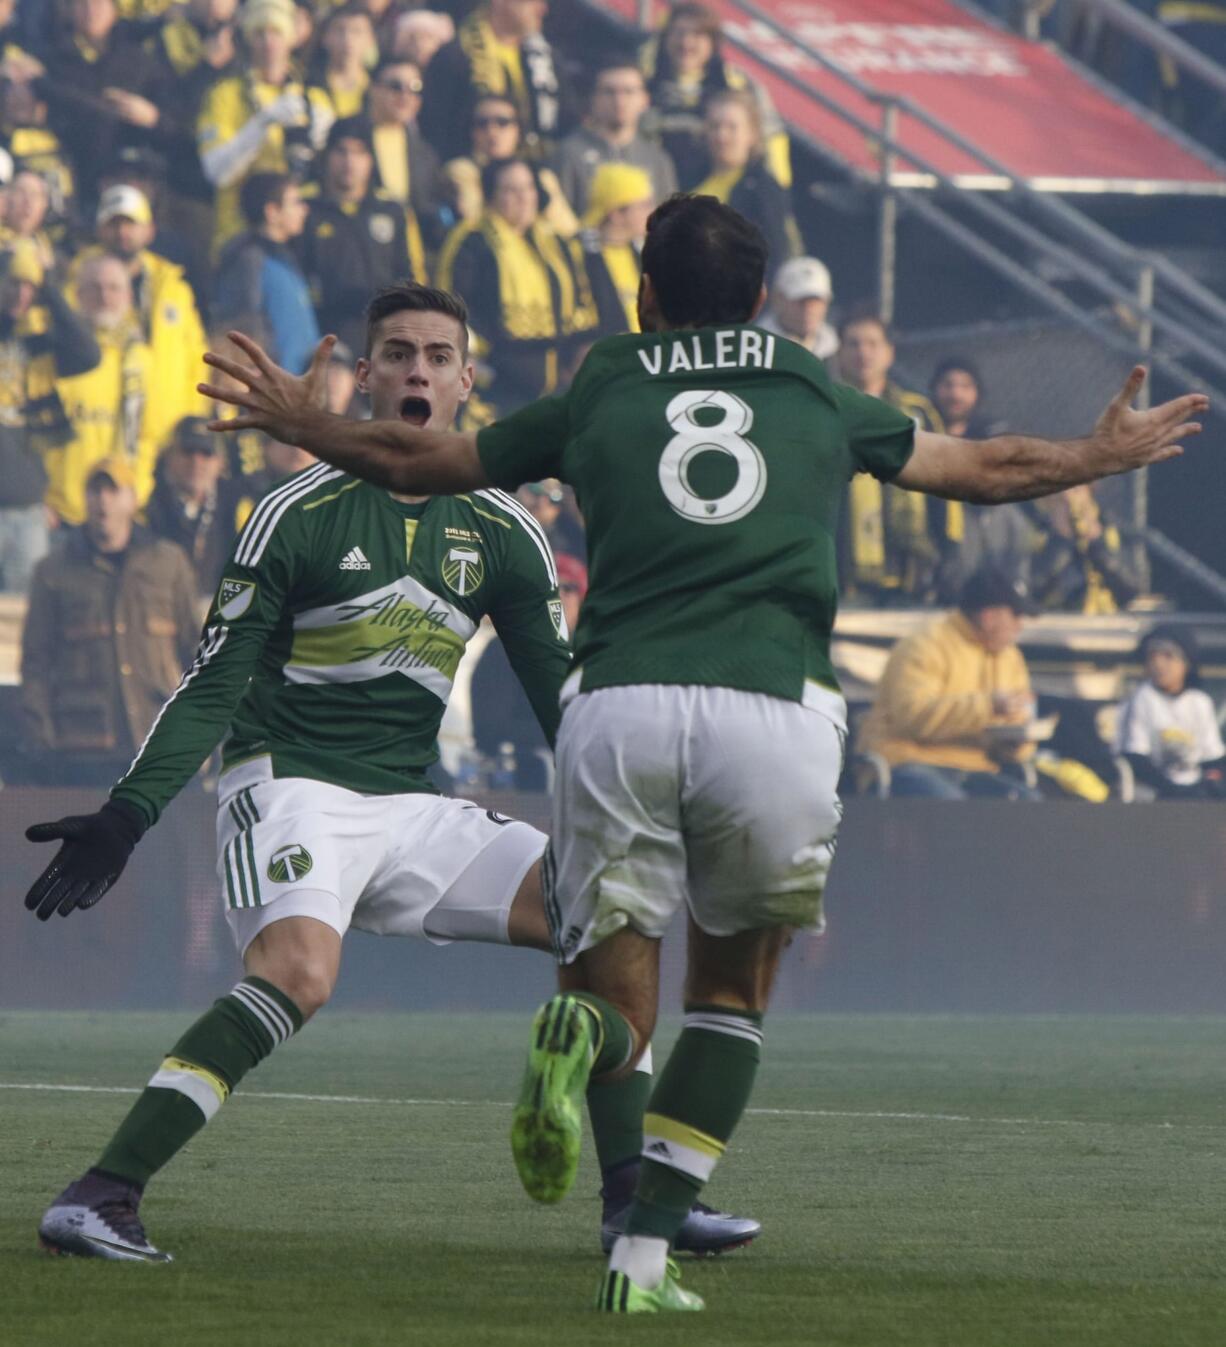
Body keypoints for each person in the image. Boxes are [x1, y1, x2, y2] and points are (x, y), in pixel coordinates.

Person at [196, 193, 1206, 1313]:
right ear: (764, 299)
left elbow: (413, 463)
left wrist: (310, 420)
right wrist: (1096, 453)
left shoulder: (605, 382)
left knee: (613, 985)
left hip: (618, 705)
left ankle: (582, 1029)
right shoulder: (810, 382)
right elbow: (981, 467)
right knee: (725, 999)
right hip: (770, 709)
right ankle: (640, 1260)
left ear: (644, 291)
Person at [28, 281, 754, 1265]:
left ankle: (632, 1198)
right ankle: (99, 1196)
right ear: (364, 375)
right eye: (398, 353)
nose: (417, 369)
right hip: (288, 787)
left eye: (437, 355)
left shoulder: (503, 529)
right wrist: (129, 813)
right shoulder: (297, 511)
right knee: (298, 973)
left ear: (463, 380)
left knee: (608, 915)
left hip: (407, 805)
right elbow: (214, 683)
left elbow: (563, 705)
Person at [19, 454, 199, 788]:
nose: (103, 501)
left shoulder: (169, 563)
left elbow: (197, 654)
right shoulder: (53, 571)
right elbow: (36, 662)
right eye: (94, 491)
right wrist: (43, 739)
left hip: (156, 744)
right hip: (83, 747)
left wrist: (202, 736)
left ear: (133, 499)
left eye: (112, 491)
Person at [856, 566, 1044, 800]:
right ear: (988, 616)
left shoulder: (1011, 658)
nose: (1020, 625)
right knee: (956, 812)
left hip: (976, 769)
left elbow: (1017, 725)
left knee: (1029, 804)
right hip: (907, 762)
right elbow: (913, 717)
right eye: (1015, 615)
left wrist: (1017, 744)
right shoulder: (924, 646)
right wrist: (988, 707)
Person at [436, 156, 596, 421]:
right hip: (497, 392)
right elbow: (452, 308)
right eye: (510, 190)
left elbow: (582, 302)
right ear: (491, 196)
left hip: (558, 390)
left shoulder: (556, 243)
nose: (523, 197)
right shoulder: (471, 241)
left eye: (528, 188)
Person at [71, 184, 210, 452]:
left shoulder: (174, 287)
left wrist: (194, 415)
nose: (122, 233)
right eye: (114, 224)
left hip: (167, 437)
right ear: (99, 230)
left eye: (131, 224)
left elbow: (196, 358)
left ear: (149, 230)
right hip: (100, 435)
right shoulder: (77, 281)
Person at [0, 240, 100, 593]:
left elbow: (89, 354)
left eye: (29, 287)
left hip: (27, 509)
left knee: (20, 625)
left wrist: (50, 291)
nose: (20, 294)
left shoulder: (40, 345)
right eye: (13, 283)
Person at [196, 0, 333, 255]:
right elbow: (217, 171)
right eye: (260, 34)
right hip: (238, 233)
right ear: (248, 39)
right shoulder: (225, 94)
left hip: (299, 234)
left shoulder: (315, 100)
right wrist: (262, 123)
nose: (269, 43)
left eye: (277, 33)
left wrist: (318, 140)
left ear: (292, 38)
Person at [837, 308, 951, 605]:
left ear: (889, 353)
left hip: (911, 572)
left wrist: (948, 548)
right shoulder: (822, 408)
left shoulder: (918, 412)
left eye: (873, 344)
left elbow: (946, 481)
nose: (863, 352)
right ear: (838, 351)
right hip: (844, 573)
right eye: (853, 343)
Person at [296, 116, 426, 358]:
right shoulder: (306, 208)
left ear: (371, 160)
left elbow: (409, 274)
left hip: (384, 334)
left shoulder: (391, 210)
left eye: (359, 153)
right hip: (326, 334)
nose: (349, 162)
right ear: (326, 157)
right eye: (341, 152)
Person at [46, 253, 156, 525]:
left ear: (129, 296)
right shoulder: (54, 353)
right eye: (94, 288)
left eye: (113, 288)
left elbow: (149, 436)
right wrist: (41, 501)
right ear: (77, 295)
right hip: (57, 514)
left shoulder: (142, 360)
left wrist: (136, 495)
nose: (104, 296)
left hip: (119, 517)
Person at [641, 2, 789, 191]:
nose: (686, 42)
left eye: (697, 34)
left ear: (713, 42)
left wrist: (777, 190)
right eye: (678, 33)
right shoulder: (642, 86)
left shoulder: (739, 84)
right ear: (665, 38)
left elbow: (772, 136)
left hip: (728, 199)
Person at [471, 551, 587, 790]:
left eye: (568, 588)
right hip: (519, 775)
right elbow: (489, 727)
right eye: (551, 588)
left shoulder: (595, 650)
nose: (559, 596)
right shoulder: (501, 648)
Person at [419, 0, 564, 165]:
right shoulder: (455, 57)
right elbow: (437, 129)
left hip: (529, 174)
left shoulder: (545, 58)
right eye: (531, 2)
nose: (542, 9)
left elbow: (565, 122)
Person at [213, 172, 319, 375]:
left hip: (298, 386)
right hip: (274, 388)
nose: (304, 210)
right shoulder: (248, 260)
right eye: (296, 202)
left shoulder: (287, 257)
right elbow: (242, 323)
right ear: (272, 211)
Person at [144, 414, 253, 597]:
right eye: (188, 451)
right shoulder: (151, 506)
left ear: (221, 462)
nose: (196, 462)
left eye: (206, 453)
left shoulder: (239, 507)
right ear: (170, 457)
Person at [552, 60, 676, 220]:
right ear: (593, 99)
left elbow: (669, 220)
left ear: (645, 100)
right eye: (609, 92)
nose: (620, 101)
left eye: (629, 91)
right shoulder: (568, 154)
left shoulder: (658, 159)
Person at [692, 90, 796, 277]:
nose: (721, 136)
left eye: (732, 127)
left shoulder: (763, 187)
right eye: (715, 126)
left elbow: (776, 251)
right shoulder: (688, 178)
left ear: (752, 134)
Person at [441, 92, 576, 236]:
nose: (492, 132)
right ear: (471, 131)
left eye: (503, 122)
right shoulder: (462, 171)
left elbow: (569, 230)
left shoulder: (542, 177)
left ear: (518, 130)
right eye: (482, 124)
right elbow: (474, 222)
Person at [1114, 625, 1225, 799]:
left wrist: (1210, 784)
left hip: (1195, 793)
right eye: (1152, 657)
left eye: (1168, 656)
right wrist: (1171, 790)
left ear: (1186, 663)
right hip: (1154, 794)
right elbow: (1135, 757)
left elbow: (1212, 758)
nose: (1158, 664)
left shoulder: (1199, 702)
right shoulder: (1142, 698)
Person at [365, 56, 446, 249]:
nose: (405, 95)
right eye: (395, 86)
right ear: (373, 89)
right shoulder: (352, 137)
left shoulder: (426, 153)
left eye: (415, 88)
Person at [1026, 483, 1143, 614]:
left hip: (1105, 623)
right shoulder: (1035, 535)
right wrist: (1061, 540)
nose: (1070, 499)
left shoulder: (1112, 533)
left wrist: (1097, 545)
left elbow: (1130, 591)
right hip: (1055, 623)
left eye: (1077, 489)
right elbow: (1030, 590)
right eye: (1060, 496)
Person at [579, 162, 651, 339]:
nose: (652, 211)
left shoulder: (643, 253)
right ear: (616, 214)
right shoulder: (580, 254)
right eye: (643, 205)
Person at [759, 255, 837, 360]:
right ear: (777, 299)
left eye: (816, 300)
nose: (809, 308)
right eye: (800, 301)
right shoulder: (758, 347)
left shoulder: (839, 348)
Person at [308, 3, 377, 122]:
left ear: (370, 39)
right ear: (325, 37)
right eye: (340, 30)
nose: (348, 39)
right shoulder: (307, 86)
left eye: (357, 31)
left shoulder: (377, 89)